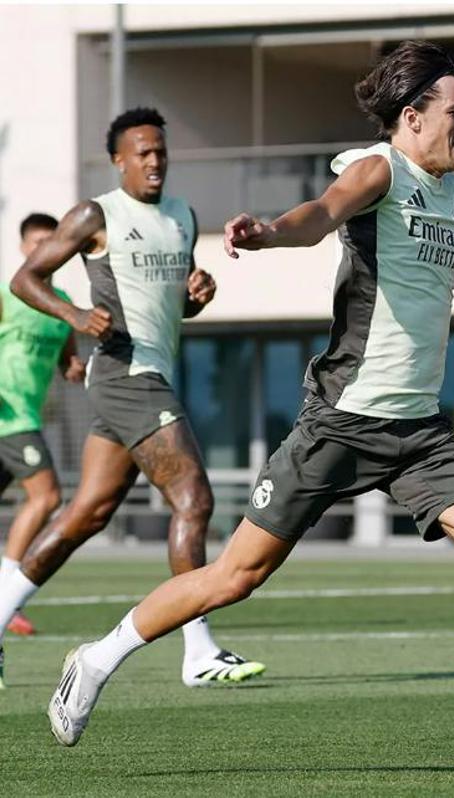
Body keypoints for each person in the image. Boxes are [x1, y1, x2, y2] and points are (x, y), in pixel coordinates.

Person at [47, 41, 454, 765]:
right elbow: (319, 213)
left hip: (420, 435)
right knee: (237, 575)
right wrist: (268, 234)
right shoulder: (379, 170)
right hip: (340, 422)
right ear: (413, 116)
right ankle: (100, 656)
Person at [4, 108, 264, 690]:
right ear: (119, 159)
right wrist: (73, 313)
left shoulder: (182, 217)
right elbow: (26, 278)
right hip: (126, 375)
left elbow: (179, 300)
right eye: (142, 152)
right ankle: (197, 649)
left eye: (161, 152)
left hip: (150, 374)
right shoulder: (97, 214)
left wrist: (198, 294)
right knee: (194, 502)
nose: (154, 161)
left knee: (84, 516)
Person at [0, 214, 85, 658]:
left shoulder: (64, 305)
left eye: (50, 243)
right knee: (47, 497)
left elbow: (66, 360)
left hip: (24, 415)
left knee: (44, 498)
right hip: (7, 414)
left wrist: (74, 367)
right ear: (22, 248)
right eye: (35, 243)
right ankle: (5, 593)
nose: (42, 250)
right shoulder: (6, 295)